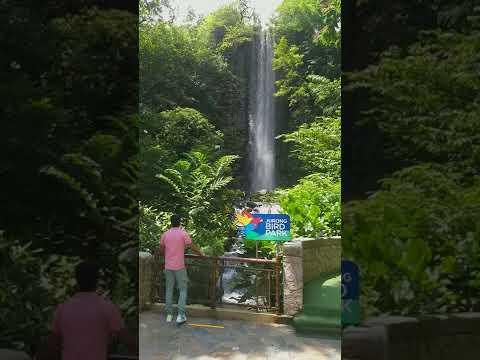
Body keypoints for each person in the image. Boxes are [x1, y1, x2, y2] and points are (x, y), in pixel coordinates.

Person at [39, 261, 137, 360]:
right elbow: (126, 339)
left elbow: (52, 344)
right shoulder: (107, 308)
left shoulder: (63, 308)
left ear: (77, 279)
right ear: (97, 280)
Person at [155, 214, 204, 324]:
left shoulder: (165, 234)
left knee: (169, 289)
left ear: (170, 222)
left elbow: (161, 249)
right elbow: (192, 246)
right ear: (180, 222)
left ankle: (169, 314)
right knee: (182, 290)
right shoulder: (183, 233)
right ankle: (181, 315)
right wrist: (201, 254)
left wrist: (157, 255)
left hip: (168, 266)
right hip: (179, 267)